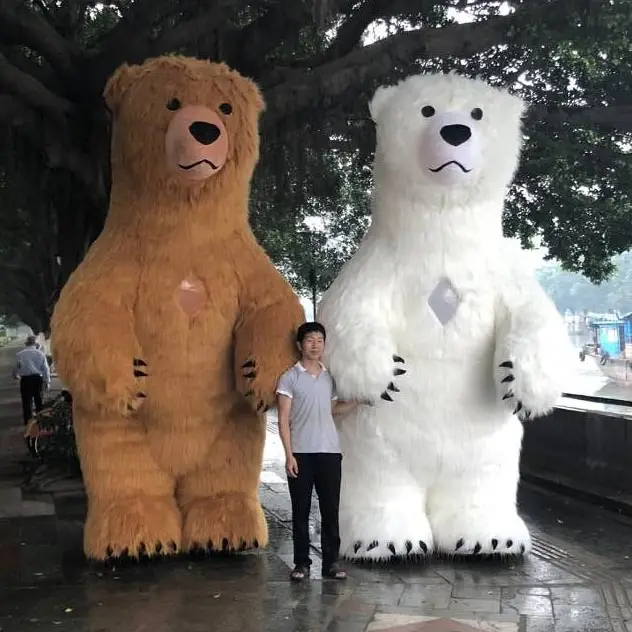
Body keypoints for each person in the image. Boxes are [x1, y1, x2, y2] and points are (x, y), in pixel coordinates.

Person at [276, 321, 358, 581]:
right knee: (300, 511)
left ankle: (332, 562)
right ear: (300, 345)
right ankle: (301, 563)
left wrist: (358, 401)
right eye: (310, 340)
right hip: (301, 454)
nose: (315, 345)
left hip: (329, 454)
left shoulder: (329, 376)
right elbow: (283, 418)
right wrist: (289, 455)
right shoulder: (290, 377)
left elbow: (332, 409)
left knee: (330, 509)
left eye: (319, 340)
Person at [13, 335, 51, 424]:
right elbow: (46, 369)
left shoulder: (20, 354)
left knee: (26, 402)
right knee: (39, 400)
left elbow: (16, 368)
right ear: (35, 344)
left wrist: (16, 376)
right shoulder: (40, 354)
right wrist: (47, 381)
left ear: (26, 344)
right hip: (37, 379)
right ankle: (39, 421)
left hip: (25, 380)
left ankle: (28, 421)